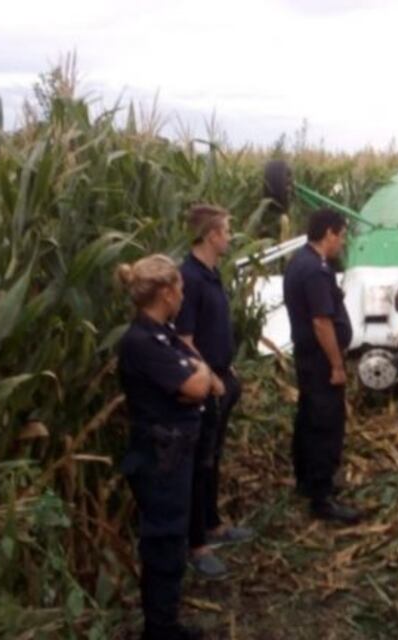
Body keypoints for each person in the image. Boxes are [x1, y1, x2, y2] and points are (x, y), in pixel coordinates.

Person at [116, 254, 215, 640]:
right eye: (180, 289)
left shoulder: (163, 333)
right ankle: (159, 630)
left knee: (172, 541)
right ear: (166, 292)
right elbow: (195, 385)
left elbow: (195, 368)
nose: (183, 296)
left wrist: (200, 374)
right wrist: (202, 376)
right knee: (163, 543)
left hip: (172, 456)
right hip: (159, 459)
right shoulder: (142, 341)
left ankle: (166, 623)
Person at [175, 204, 254, 580]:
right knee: (198, 463)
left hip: (221, 376)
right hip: (203, 385)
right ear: (210, 235)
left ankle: (213, 523)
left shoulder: (211, 274)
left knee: (213, 457)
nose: (229, 237)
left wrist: (227, 366)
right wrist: (210, 375)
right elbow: (184, 340)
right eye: (225, 231)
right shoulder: (187, 278)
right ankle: (196, 544)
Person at [283, 208, 361, 523]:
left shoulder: (301, 261)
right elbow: (321, 322)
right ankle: (321, 497)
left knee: (308, 418)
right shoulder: (315, 270)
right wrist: (337, 365)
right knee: (324, 425)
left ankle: (306, 481)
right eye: (341, 236)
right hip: (320, 361)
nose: (341, 243)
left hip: (308, 358)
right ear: (328, 233)